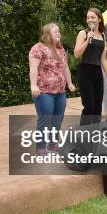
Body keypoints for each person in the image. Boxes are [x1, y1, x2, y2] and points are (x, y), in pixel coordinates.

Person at [29, 23, 76, 155]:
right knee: (45, 119)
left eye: (59, 31)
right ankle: (41, 147)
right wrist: (33, 85)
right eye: (55, 32)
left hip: (60, 92)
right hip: (44, 92)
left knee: (57, 119)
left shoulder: (61, 50)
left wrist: (70, 83)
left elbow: (65, 68)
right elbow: (33, 68)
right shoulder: (38, 48)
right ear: (47, 35)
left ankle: (53, 144)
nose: (59, 34)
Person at [74, 8, 107, 126]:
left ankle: (95, 134)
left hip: (97, 71)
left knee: (97, 107)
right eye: (88, 17)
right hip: (85, 70)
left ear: (99, 19)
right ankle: (84, 134)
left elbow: (103, 59)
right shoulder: (83, 33)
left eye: (92, 17)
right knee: (89, 106)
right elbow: (76, 54)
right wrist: (87, 40)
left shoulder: (103, 36)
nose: (90, 20)